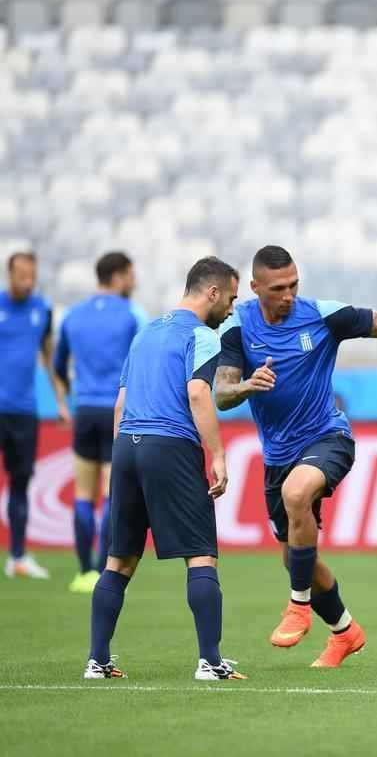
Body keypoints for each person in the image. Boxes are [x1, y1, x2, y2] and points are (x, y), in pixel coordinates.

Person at [216, 245, 377, 668]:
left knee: (297, 491)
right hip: (278, 453)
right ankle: (344, 632)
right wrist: (248, 385)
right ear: (254, 288)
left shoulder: (322, 315)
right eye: (277, 288)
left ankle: (298, 607)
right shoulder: (237, 324)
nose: (288, 295)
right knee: (295, 557)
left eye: (293, 285)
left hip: (328, 436)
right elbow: (222, 392)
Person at [85, 256, 243, 681]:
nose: (231, 308)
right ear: (212, 292)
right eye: (230, 298)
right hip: (169, 445)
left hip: (127, 447)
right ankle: (210, 662)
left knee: (119, 559)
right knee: (201, 555)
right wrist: (218, 456)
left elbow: (121, 403)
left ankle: (97, 660)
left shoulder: (145, 333)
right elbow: (197, 394)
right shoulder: (201, 335)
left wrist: (123, 456)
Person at [54, 252, 147, 594]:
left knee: (82, 493)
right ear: (119, 275)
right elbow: (144, 358)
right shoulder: (132, 315)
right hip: (117, 410)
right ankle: (101, 568)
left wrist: (72, 394)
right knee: (112, 493)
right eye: (132, 275)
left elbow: (59, 363)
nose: (134, 282)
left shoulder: (73, 315)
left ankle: (83, 572)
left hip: (84, 409)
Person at [1, 251, 69, 580]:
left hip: (24, 411)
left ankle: (17, 556)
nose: (28, 282)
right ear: (9, 275)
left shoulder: (41, 309)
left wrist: (61, 402)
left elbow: (48, 356)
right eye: (21, 276)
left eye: (32, 276)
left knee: (21, 482)